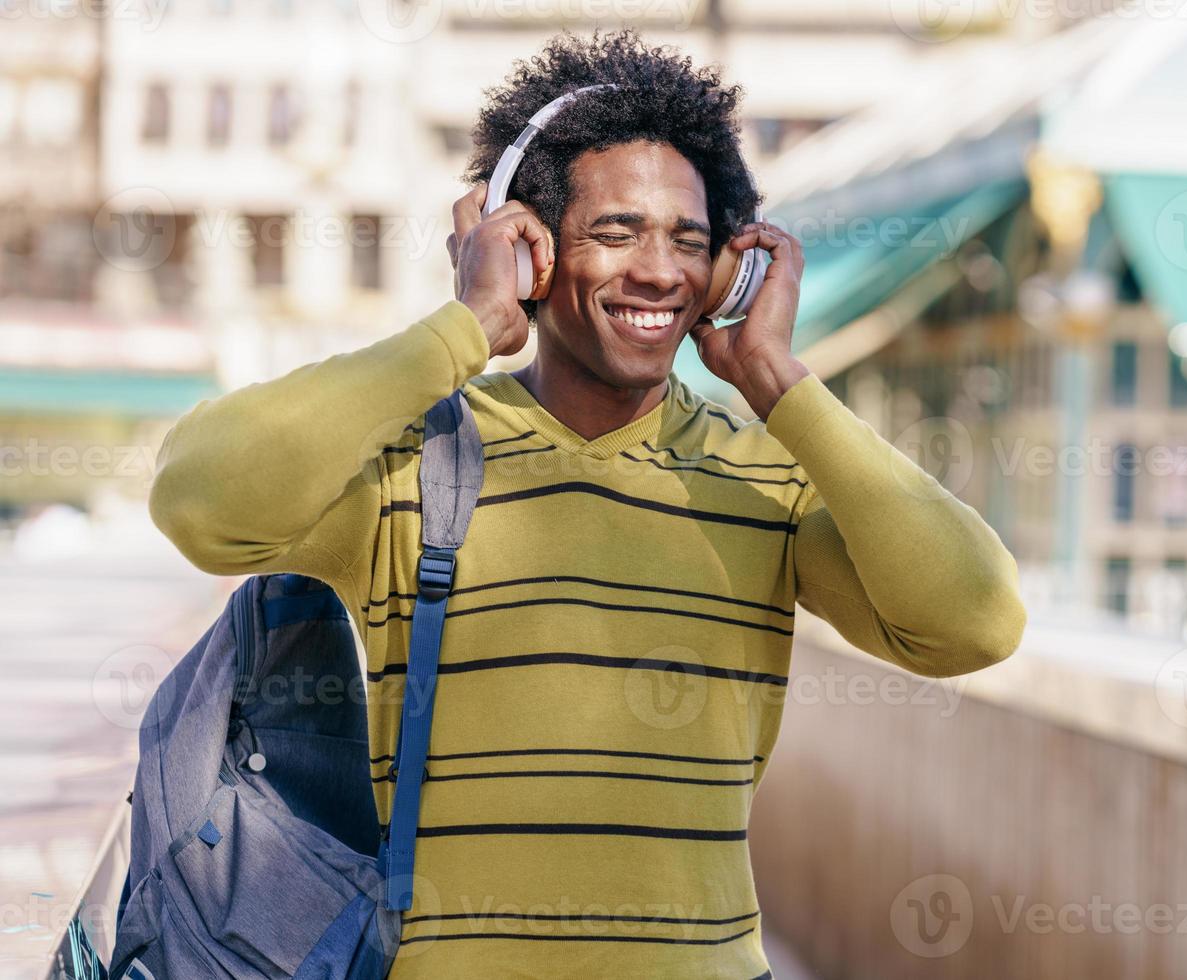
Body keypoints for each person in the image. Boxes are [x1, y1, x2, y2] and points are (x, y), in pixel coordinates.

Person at [148, 28, 1026, 980]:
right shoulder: (416, 459)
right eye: (615, 233)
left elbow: (975, 623)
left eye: (689, 243)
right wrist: (466, 328)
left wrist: (775, 377)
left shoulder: (768, 476)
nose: (657, 270)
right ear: (526, 245)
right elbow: (201, 499)